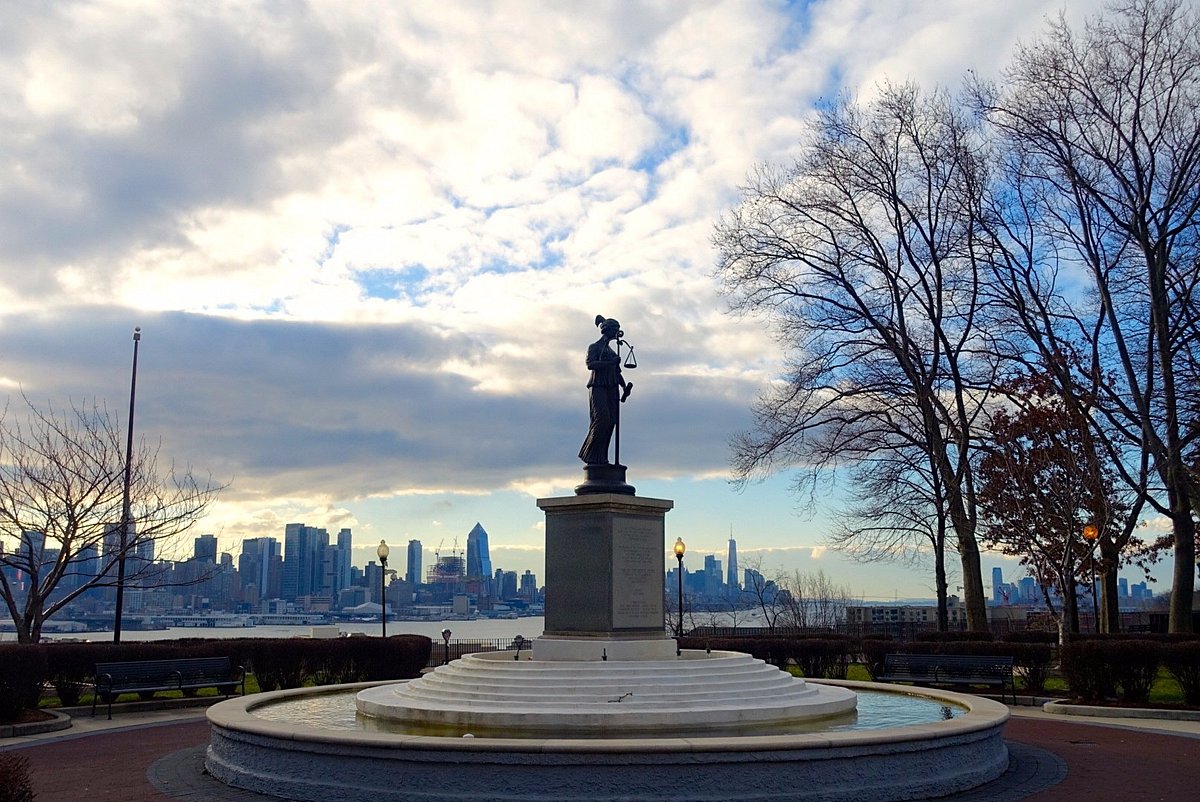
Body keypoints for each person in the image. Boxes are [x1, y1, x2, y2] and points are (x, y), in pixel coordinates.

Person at [578, 315, 632, 465]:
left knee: (611, 422)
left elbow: (617, 372)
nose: (618, 332)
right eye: (616, 329)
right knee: (602, 419)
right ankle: (590, 456)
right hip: (598, 386)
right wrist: (610, 363)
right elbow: (591, 364)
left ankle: (602, 458)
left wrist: (623, 386)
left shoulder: (613, 352)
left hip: (611, 387)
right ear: (608, 330)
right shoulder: (594, 347)